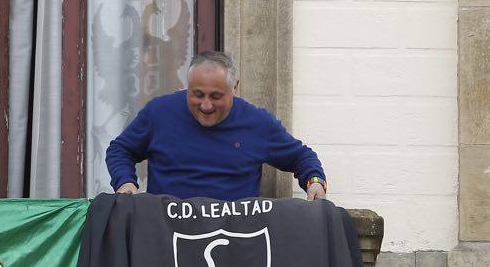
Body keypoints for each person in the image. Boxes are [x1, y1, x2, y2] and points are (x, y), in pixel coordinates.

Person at [106, 51, 327, 201]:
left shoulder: (257, 123)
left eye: (216, 96)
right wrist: (125, 182)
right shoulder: (159, 113)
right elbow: (120, 150)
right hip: (165, 234)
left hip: (233, 239)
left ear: (235, 87)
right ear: (188, 85)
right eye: (197, 95)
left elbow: (302, 157)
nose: (206, 105)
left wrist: (315, 183)